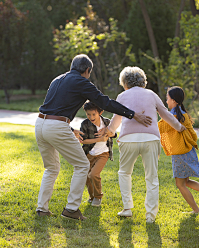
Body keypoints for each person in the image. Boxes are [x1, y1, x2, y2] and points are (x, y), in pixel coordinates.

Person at [35, 54, 152, 221]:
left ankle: (42, 209)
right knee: (82, 164)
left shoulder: (57, 79)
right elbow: (105, 103)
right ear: (87, 70)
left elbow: (52, 108)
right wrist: (132, 115)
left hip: (40, 124)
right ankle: (71, 208)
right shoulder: (82, 82)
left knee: (51, 168)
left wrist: (68, 128)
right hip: (56, 126)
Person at [105, 67, 186, 223]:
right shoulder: (151, 94)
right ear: (143, 81)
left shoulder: (122, 95)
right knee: (152, 177)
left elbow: (116, 118)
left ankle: (127, 208)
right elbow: (166, 114)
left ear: (124, 82)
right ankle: (150, 216)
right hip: (150, 139)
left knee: (124, 173)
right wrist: (179, 127)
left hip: (128, 140)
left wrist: (109, 131)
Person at [158, 86, 199, 214]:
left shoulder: (173, 116)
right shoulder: (182, 114)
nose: (166, 101)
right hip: (188, 152)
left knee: (180, 184)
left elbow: (158, 127)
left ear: (173, 100)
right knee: (186, 181)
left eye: (167, 99)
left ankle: (196, 210)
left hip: (180, 154)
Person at [80, 101, 116, 207]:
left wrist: (109, 133)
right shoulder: (85, 124)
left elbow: (114, 134)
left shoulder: (107, 122)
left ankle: (98, 197)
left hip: (103, 153)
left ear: (100, 112)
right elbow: (83, 141)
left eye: (93, 114)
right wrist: (99, 139)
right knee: (87, 177)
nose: (91, 117)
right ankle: (92, 197)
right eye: (88, 114)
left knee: (93, 174)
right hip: (89, 154)